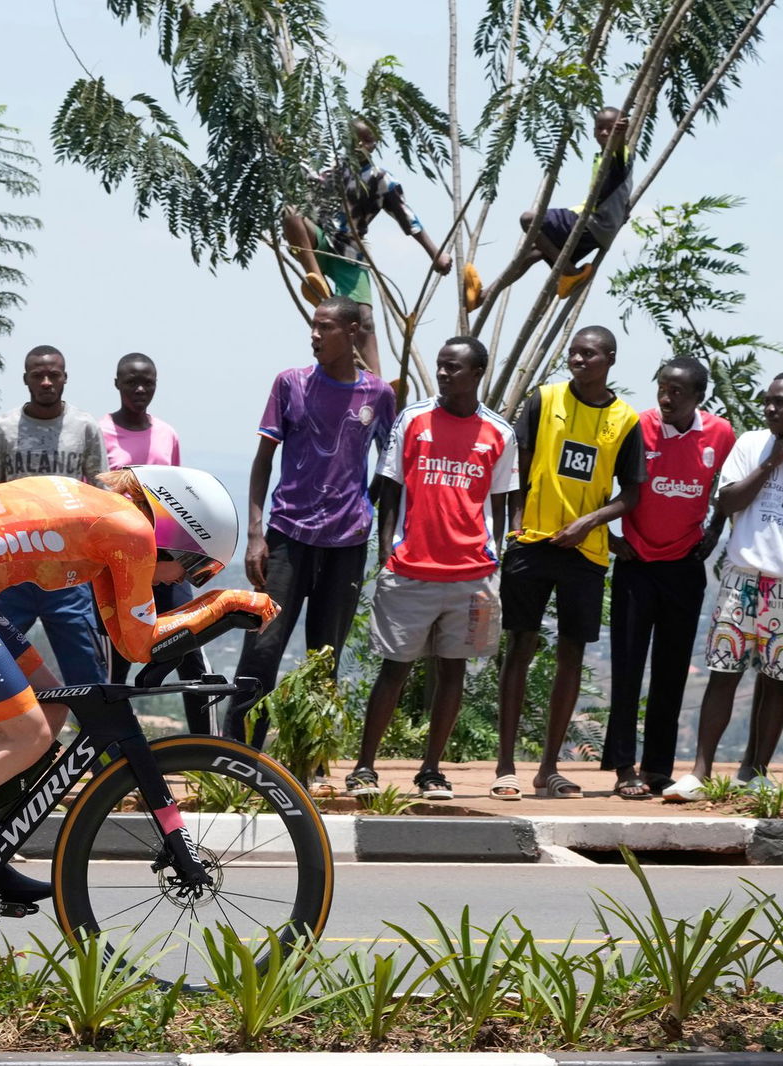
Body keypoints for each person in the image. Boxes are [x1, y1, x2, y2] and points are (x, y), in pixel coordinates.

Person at [0, 468, 277, 920]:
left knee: (53, 707)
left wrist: (215, 607)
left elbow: (127, 640)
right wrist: (225, 603)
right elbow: (141, 645)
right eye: (195, 566)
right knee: (25, 734)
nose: (179, 582)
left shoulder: (110, 522)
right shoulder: (131, 531)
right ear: (171, 531)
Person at [663, 371, 783, 802]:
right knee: (722, 674)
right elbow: (727, 501)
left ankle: (758, 772)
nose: (770, 408)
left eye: (781, 402)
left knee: (779, 679)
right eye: (767, 400)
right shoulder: (750, 445)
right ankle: (700, 772)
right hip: (743, 576)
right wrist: (771, 463)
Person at [347, 337, 517, 800]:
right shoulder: (413, 419)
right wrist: (386, 551)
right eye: (441, 366)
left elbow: (501, 502)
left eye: (454, 368)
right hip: (411, 570)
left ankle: (432, 770)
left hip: (470, 575)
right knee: (393, 670)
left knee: (453, 671)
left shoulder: (500, 432)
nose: (443, 374)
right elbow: (390, 488)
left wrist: (494, 557)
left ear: (477, 373)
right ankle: (365, 766)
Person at [226, 295, 397, 747]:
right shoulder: (291, 384)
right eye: (314, 326)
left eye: (326, 328)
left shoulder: (377, 394)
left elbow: (390, 464)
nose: (315, 335)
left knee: (324, 660)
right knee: (261, 650)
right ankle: (238, 755)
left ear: (353, 332)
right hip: (286, 538)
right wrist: (256, 535)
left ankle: (308, 761)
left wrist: (367, 510)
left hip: (346, 545)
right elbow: (264, 460)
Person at [495, 325, 641, 800]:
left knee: (571, 655)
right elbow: (519, 462)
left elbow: (633, 494)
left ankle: (549, 767)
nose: (579, 361)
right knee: (520, 645)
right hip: (532, 542)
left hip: (585, 550)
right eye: (574, 353)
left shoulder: (625, 420)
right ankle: (505, 765)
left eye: (590, 354)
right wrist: (516, 525)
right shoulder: (545, 399)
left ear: (610, 360)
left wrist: (589, 523)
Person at [603, 355, 734, 799]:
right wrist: (608, 534)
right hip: (636, 564)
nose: (666, 397)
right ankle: (624, 767)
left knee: (671, 671)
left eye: (678, 391)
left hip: (684, 568)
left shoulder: (720, 432)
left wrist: (715, 529)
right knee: (627, 667)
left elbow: (727, 487)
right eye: (662, 387)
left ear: (699, 397)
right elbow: (602, 482)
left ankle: (657, 768)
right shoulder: (637, 426)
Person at [0, 345, 108, 686]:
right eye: (38, 375)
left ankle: (100, 737)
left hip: (69, 571)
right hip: (14, 570)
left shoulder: (84, 427)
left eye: (54, 375)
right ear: (26, 380)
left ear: (65, 378)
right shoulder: (3, 430)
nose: (46, 382)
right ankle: (8, 736)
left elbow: (101, 495)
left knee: (87, 669)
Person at [281, 117, 453, 377]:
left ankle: (376, 381)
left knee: (364, 322)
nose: (362, 145)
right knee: (289, 213)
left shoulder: (380, 179)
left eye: (368, 140)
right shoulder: (328, 169)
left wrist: (435, 254)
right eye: (357, 139)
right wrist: (280, 148)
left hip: (350, 252)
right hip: (318, 242)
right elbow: (296, 168)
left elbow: (408, 218)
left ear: (375, 144)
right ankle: (317, 281)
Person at [97, 352, 210, 733]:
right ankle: (113, 751)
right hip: (118, 561)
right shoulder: (99, 433)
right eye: (132, 382)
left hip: (164, 558)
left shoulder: (167, 434)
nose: (140, 389)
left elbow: (178, 498)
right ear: (117, 383)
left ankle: (206, 748)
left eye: (148, 382)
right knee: (117, 658)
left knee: (191, 642)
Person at [476, 107, 631, 304]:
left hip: (594, 224)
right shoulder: (603, 158)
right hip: (595, 226)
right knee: (534, 250)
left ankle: (568, 271)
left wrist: (620, 135)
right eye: (600, 128)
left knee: (529, 219)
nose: (604, 133)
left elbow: (617, 151)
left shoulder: (619, 156)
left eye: (611, 129)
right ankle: (484, 295)